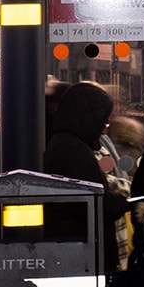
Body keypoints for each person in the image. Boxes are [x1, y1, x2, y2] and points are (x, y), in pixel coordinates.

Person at [42, 81, 130, 271]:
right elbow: (90, 201)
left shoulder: (70, 144)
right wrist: (120, 202)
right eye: (103, 121)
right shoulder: (72, 151)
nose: (105, 127)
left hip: (79, 250)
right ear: (89, 117)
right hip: (82, 255)